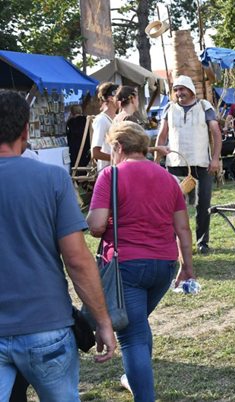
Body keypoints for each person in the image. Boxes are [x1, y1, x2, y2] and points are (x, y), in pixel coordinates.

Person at [0, 90, 116, 401]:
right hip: (46, 326)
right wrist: (103, 321)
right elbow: (77, 261)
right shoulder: (52, 179)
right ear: (26, 131)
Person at [86, 121, 196, 401]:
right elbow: (183, 229)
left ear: (119, 147)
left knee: (132, 336)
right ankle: (134, 379)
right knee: (138, 325)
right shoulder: (168, 179)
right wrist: (187, 268)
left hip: (127, 265)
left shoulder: (110, 175)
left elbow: (97, 226)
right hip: (165, 265)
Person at [154, 75, 222, 255]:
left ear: (190, 89)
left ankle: (202, 242)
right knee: (173, 206)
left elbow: (216, 133)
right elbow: (162, 136)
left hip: (201, 163)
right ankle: (176, 242)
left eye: (181, 89)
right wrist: (156, 161)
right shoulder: (169, 107)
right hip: (175, 163)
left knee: (203, 204)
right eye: (176, 90)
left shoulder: (204, 106)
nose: (179, 93)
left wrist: (215, 159)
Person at [91, 81, 120, 172]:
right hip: (107, 173)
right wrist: (118, 159)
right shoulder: (102, 120)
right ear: (111, 98)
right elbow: (95, 153)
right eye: (119, 96)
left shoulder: (116, 118)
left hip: (117, 171)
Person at [66, 104, 90, 170]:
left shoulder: (70, 123)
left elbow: (69, 136)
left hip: (75, 148)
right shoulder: (87, 120)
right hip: (86, 146)